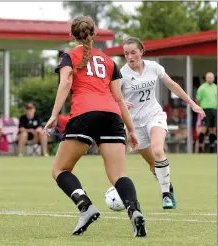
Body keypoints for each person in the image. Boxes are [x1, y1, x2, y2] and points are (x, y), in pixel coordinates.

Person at [43, 16, 147, 237]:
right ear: (94, 34)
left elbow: (66, 83)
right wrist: (131, 129)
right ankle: (135, 211)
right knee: (119, 175)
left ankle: (85, 206)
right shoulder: (109, 62)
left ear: (72, 35)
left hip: (84, 114)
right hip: (112, 116)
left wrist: (54, 115)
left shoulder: (68, 57)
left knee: (60, 169)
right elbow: (119, 99)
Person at [120, 37, 205, 209]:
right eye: (126, 54)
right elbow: (111, 95)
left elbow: (172, 85)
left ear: (141, 51)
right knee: (153, 165)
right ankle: (169, 187)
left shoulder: (153, 67)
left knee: (158, 150)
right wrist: (120, 102)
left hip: (154, 115)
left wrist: (193, 103)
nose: (130, 57)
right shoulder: (122, 74)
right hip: (135, 124)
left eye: (133, 52)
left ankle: (165, 194)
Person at [196, 72, 217, 153]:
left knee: (213, 129)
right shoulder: (202, 88)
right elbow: (197, 99)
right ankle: (201, 148)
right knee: (203, 129)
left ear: (214, 78)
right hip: (205, 110)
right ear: (206, 78)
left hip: (214, 110)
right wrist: (200, 109)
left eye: (212, 77)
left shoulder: (216, 87)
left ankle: (212, 148)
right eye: (209, 77)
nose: (210, 79)